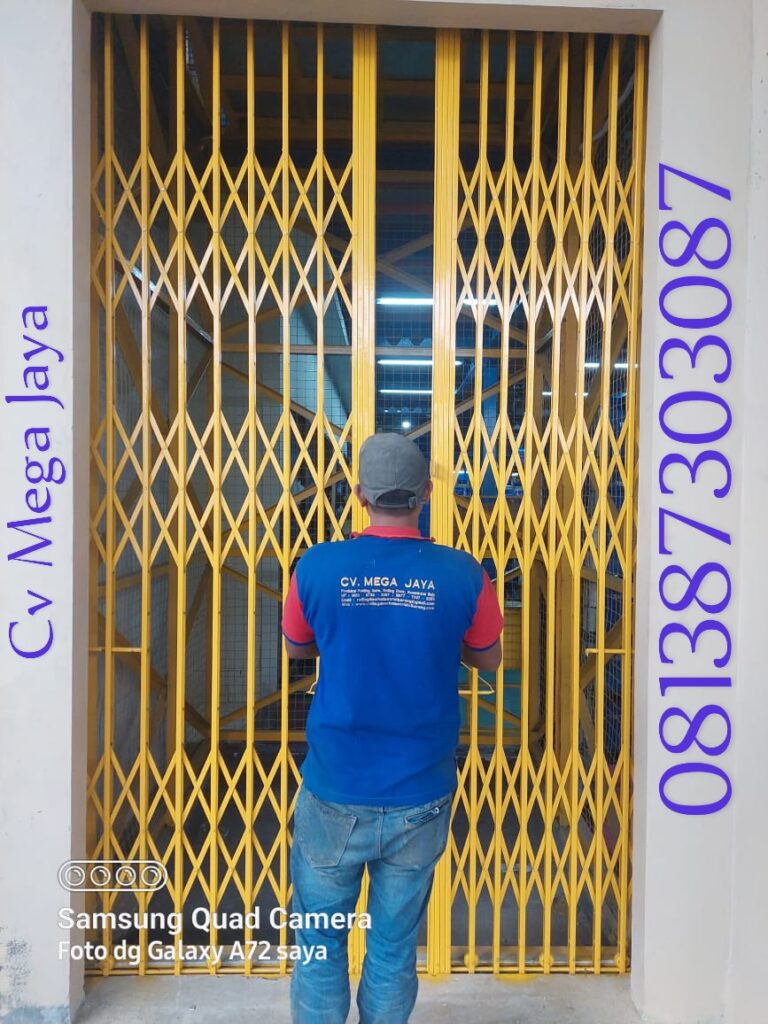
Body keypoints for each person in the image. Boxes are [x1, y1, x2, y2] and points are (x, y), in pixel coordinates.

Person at [282, 432, 504, 1024]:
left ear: (359, 494)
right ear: (426, 493)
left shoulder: (317, 566)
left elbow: (296, 646)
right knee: (392, 947)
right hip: (421, 793)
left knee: (319, 944)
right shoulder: (462, 573)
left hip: (334, 790)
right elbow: (488, 658)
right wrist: (438, 637)